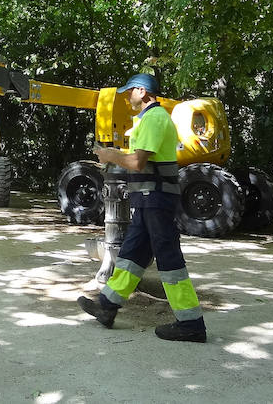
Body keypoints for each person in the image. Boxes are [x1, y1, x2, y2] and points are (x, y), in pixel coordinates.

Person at [77, 73, 207, 343]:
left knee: (169, 259)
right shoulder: (150, 119)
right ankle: (107, 306)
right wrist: (115, 157)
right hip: (149, 199)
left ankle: (191, 324)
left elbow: (137, 162)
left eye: (130, 91)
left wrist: (110, 155)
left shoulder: (154, 118)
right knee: (132, 254)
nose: (127, 97)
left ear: (142, 91)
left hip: (156, 199)